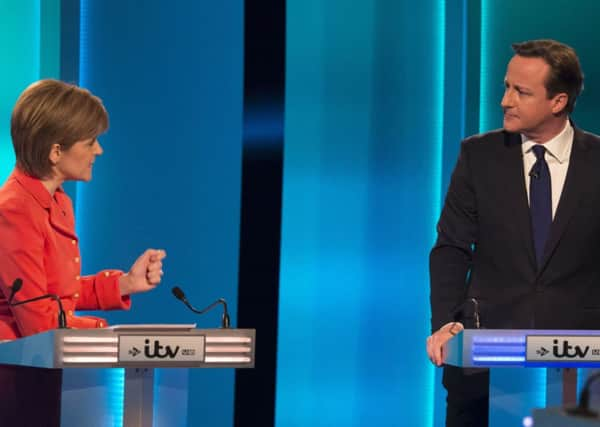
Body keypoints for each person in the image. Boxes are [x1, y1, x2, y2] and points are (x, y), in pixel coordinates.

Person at [426, 39, 599, 427]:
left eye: (521, 92)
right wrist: (444, 322)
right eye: (506, 86)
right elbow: (452, 246)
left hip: (581, 367)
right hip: (483, 357)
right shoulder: (478, 155)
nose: (505, 100)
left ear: (558, 101)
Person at [0, 79, 166, 339]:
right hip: (12, 369)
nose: (98, 150)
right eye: (90, 142)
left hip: (41, 366)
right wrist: (109, 333)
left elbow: (58, 295)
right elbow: (39, 322)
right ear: (55, 152)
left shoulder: (59, 201)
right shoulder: (15, 210)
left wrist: (126, 283)